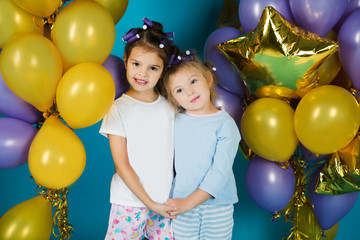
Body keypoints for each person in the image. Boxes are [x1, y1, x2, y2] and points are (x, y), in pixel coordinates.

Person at [99, 18, 177, 240]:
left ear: (163, 70)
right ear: (125, 61)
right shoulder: (117, 108)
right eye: (136, 64)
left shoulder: (169, 106)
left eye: (152, 68)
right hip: (129, 202)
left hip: (165, 202)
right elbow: (121, 164)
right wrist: (149, 203)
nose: (143, 74)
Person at [163, 52, 241, 240]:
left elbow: (220, 172)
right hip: (180, 202)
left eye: (193, 81)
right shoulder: (174, 123)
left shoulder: (225, 124)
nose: (189, 92)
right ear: (174, 99)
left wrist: (189, 203)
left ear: (207, 78)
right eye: (179, 90)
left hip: (217, 206)